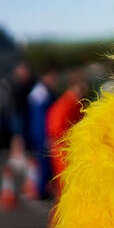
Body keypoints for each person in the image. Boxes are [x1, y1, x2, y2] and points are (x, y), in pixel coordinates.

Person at [46, 69, 90, 199]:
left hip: (71, 153)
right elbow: (55, 130)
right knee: (67, 192)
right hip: (65, 154)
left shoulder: (75, 103)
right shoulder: (65, 104)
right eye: (84, 84)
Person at [28, 70, 58, 199]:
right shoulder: (41, 93)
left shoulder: (40, 91)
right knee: (44, 161)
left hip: (38, 131)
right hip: (41, 132)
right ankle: (41, 191)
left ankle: (43, 189)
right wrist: (47, 135)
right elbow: (41, 118)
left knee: (43, 161)